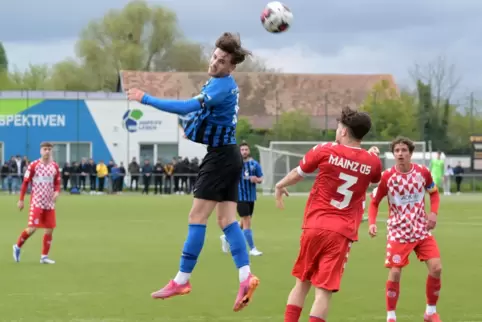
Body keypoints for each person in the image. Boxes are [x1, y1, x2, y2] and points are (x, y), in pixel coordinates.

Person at [127, 32, 259, 312]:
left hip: (221, 158)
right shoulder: (222, 82)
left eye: (222, 61)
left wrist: (146, 99)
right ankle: (245, 277)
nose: (214, 63)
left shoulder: (221, 86)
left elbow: (187, 106)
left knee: (197, 216)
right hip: (229, 155)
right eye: (214, 57)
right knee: (226, 220)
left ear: (232, 67)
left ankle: (181, 280)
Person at [275, 106, 382, 322]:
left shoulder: (325, 150)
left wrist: (280, 184)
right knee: (323, 291)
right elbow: (375, 179)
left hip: (315, 224)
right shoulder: (373, 162)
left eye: (339, 127)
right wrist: (368, 156)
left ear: (343, 131)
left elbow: (299, 173)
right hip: (342, 232)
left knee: (302, 283)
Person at [368, 136, 442, 322]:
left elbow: (434, 193)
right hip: (398, 232)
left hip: (421, 229)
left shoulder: (422, 173)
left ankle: (430, 312)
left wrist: (433, 213)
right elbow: (374, 202)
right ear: (393, 154)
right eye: (397, 151)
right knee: (395, 272)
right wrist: (372, 222)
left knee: (436, 268)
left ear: (410, 153)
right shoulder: (387, 177)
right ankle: (391, 316)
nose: (400, 154)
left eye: (404, 150)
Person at [12, 142, 60, 264]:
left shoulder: (54, 166)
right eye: (45, 149)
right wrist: (21, 200)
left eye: (49, 149)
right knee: (32, 228)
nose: (47, 151)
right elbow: (25, 182)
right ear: (40, 151)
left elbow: (57, 183)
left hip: (49, 202)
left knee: (49, 229)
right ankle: (17, 247)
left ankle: (44, 257)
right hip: (37, 201)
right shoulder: (34, 165)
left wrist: (57, 192)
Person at [220, 142, 263, 256]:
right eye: (242, 150)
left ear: (249, 151)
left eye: (246, 150)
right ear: (239, 151)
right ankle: (252, 248)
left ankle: (226, 237)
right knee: (247, 221)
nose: (244, 152)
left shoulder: (254, 164)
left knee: (244, 221)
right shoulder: (235, 165)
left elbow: (261, 178)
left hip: (251, 197)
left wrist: (257, 179)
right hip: (240, 197)